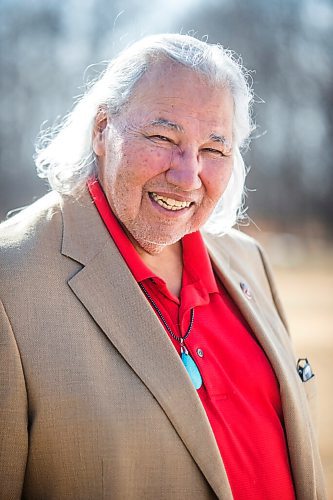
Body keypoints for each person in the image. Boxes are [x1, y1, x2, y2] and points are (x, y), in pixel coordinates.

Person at [0, 34, 326, 500]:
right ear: (101, 130)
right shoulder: (9, 282)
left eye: (214, 149)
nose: (187, 174)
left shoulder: (247, 261)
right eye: (162, 137)